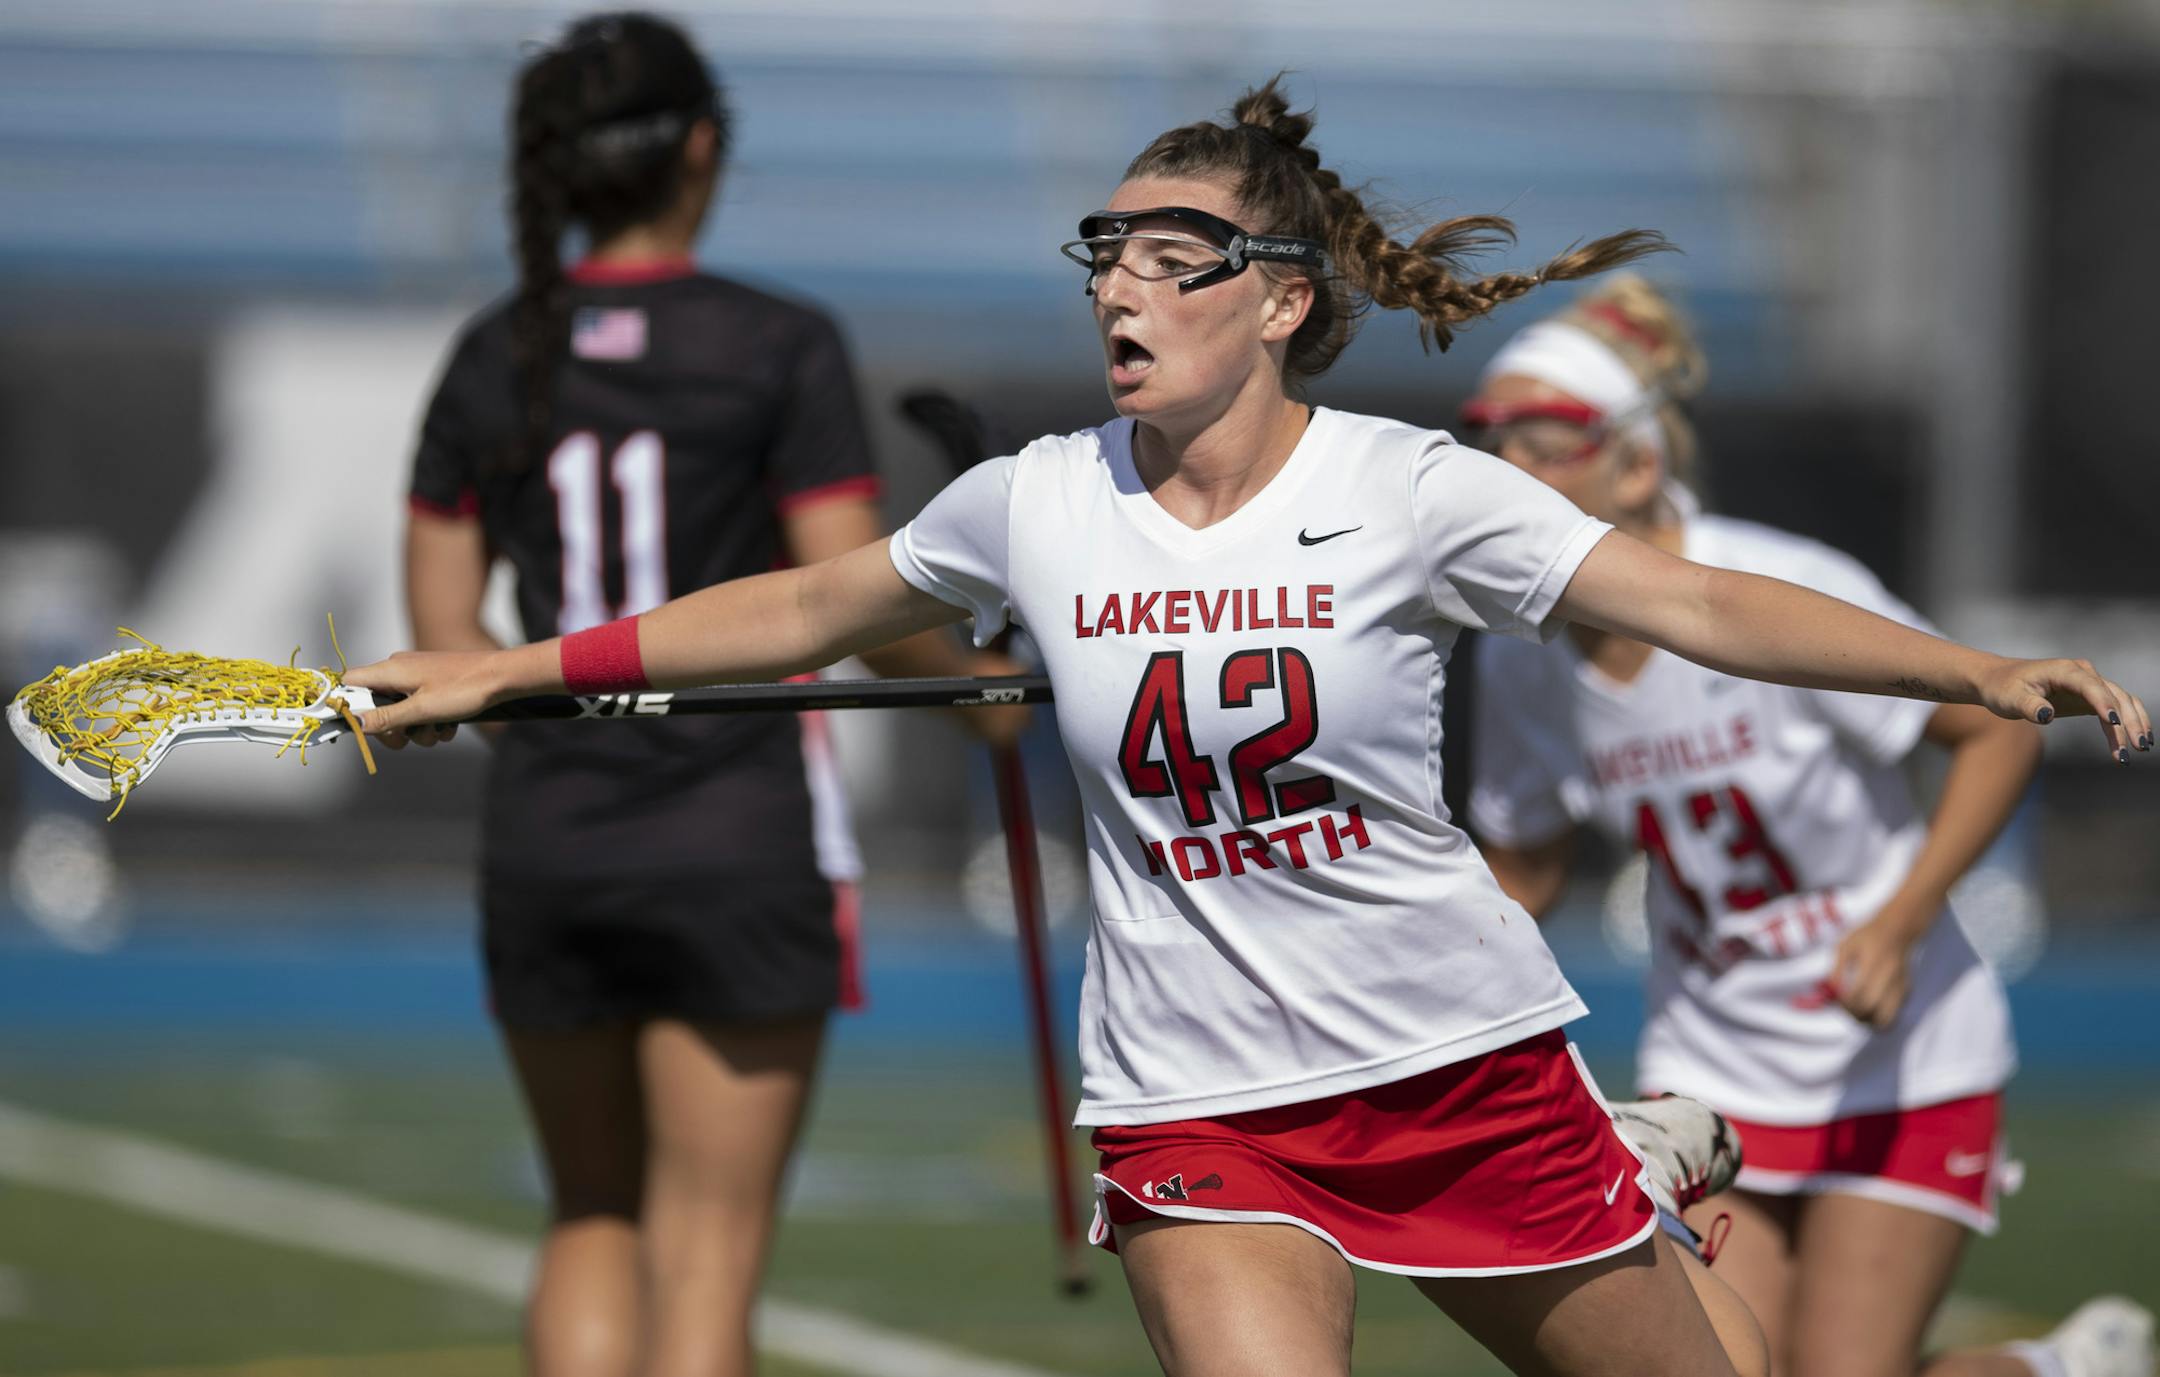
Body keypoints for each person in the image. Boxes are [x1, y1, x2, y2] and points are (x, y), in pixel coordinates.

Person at [353, 78, 2148, 1377]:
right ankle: (1652, 1155)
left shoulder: (1415, 491)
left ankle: (1649, 1163)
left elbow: (1696, 605)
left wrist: (1967, 672)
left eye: (1171, 251)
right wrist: (509, 671)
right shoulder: (1033, 502)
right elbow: (808, 605)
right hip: (1199, 1093)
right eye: (1104, 250)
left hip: (1457, 1066)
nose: (1118, 283)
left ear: (1281, 298)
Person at [398, 15, 1015, 1376]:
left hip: (550, 837)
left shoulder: (493, 350)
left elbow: (445, 644)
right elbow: (846, 594)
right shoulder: (778, 344)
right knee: (711, 1244)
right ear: (698, 146)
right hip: (737, 833)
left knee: (591, 1216)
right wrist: (984, 692)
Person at [1461, 276, 2156, 1377]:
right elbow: (1527, 860)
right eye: (1486, 441)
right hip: (1716, 1063)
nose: (1507, 472)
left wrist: (1901, 922)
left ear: (1638, 464)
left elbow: (1995, 733)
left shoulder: (1778, 584)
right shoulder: (1515, 655)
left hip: (1901, 1052)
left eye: (1545, 440)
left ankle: (2056, 1369)